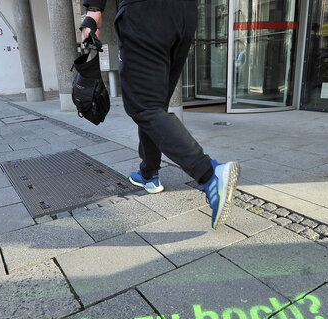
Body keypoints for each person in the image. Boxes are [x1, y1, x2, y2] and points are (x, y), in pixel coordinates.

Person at [80, 0, 239, 229]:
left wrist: (94, 10)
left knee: (143, 106)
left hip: (144, 13)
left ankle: (210, 174)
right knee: (155, 106)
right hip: (184, 14)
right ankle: (149, 172)